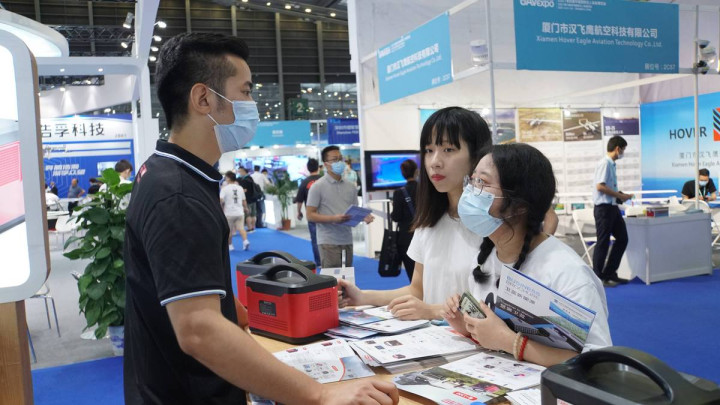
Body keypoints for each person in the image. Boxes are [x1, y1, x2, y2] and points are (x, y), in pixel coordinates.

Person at [123, 32, 398, 405]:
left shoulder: (172, 174)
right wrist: (319, 395)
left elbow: (195, 289)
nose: (252, 104)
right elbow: (198, 329)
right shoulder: (178, 193)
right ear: (203, 99)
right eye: (246, 91)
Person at [441, 143, 611, 368]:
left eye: (482, 182)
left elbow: (598, 363)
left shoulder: (566, 273)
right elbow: (493, 334)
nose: (470, 191)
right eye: (472, 181)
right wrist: (465, 325)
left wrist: (513, 343)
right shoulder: (485, 259)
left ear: (519, 206)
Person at [339, 107, 492, 320]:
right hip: (431, 338)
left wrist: (432, 311)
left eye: (448, 149)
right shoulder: (428, 221)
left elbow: (496, 307)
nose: (434, 162)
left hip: (474, 340)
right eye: (429, 150)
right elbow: (417, 290)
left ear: (477, 156)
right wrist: (363, 297)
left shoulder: (493, 225)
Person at [306, 145, 374, 268]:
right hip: (328, 241)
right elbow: (310, 215)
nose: (339, 162)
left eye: (340, 159)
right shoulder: (317, 186)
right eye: (334, 159)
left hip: (347, 239)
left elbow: (353, 211)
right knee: (331, 278)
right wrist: (333, 219)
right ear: (326, 164)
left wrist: (363, 217)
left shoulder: (350, 186)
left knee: (347, 277)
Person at [593, 135, 633, 287]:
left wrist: (620, 195)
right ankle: (598, 278)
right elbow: (600, 186)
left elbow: (607, 187)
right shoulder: (605, 163)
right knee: (603, 242)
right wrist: (620, 195)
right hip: (604, 209)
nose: (623, 153)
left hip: (612, 207)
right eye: (623, 149)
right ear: (617, 149)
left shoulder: (611, 164)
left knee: (622, 238)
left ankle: (610, 273)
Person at [391, 159, 418, 281]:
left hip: (406, 238)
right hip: (426, 235)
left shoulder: (399, 192)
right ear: (416, 171)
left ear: (402, 173)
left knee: (413, 275)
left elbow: (396, 216)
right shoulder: (426, 190)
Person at [294, 158, 323, 268]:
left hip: (312, 215)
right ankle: (329, 261)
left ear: (308, 168)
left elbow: (300, 200)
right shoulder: (324, 180)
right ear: (318, 167)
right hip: (326, 214)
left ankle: (319, 262)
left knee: (315, 240)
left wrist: (299, 212)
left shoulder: (304, 182)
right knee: (328, 238)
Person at [220, 171, 250, 251]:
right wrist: (246, 208)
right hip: (240, 212)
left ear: (228, 178)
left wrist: (221, 207)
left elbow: (221, 200)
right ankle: (245, 241)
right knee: (241, 228)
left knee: (229, 230)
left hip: (229, 212)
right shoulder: (240, 188)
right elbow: (244, 200)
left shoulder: (225, 188)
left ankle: (230, 245)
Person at [237, 166, 258, 232]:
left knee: (248, 214)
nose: (239, 173)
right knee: (253, 214)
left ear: (244, 171)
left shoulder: (244, 180)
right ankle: (253, 227)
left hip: (247, 199)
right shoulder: (250, 178)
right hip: (253, 198)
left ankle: (249, 228)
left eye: (240, 171)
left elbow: (244, 190)